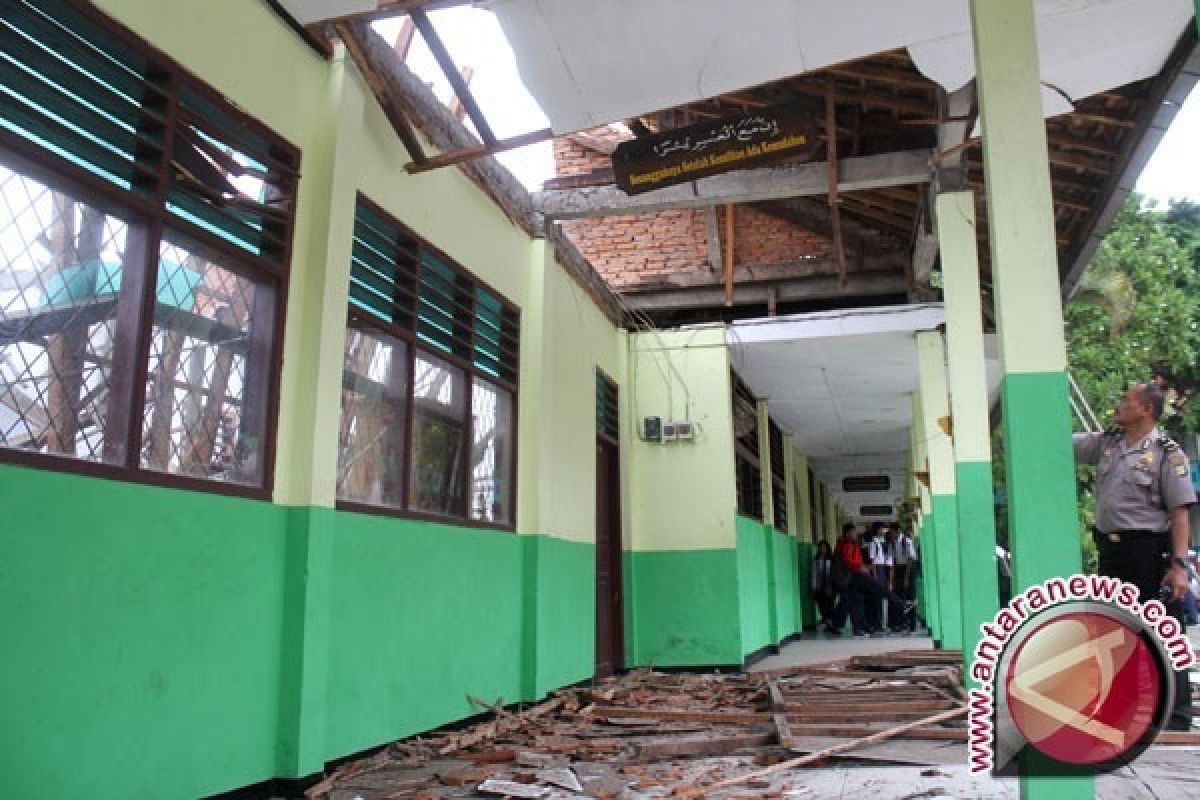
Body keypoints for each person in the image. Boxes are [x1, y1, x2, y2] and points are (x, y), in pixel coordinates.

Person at [1073, 382, 1197, 730]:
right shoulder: (1108, 445)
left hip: (1148, 552)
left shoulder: (1166, 454)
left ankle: (1175, 714)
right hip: (1112, 553)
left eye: (1127, 401)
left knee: (1162, 630)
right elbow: (1061, 442)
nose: (1119, 405)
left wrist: (1178, 566)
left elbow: (1180, 514)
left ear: (1145, 410)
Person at [830, 523, 914, 637]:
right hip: (856, 575)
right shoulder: (847, 544)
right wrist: (862, 567)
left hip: (853, 577)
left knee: (856, 601)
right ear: (847, 533)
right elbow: (848, 561)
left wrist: (861, 566)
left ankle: (859, 628)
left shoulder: (848, 543)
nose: (855, 534)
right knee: (880, 589)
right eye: (853, 532)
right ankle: (902, 605)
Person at [810, 540, 836, 632]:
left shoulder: (832, 559)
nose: (822, 549)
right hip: (819, 586)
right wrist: (813, 586)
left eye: (824, 547)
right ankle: (827, 620)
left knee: (830, 604)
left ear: (828, 548)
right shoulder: (816, 560)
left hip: (830, 585)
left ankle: (831, 623)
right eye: (821, 547)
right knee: (821, 605)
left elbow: (835, 573)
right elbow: (814, 574)